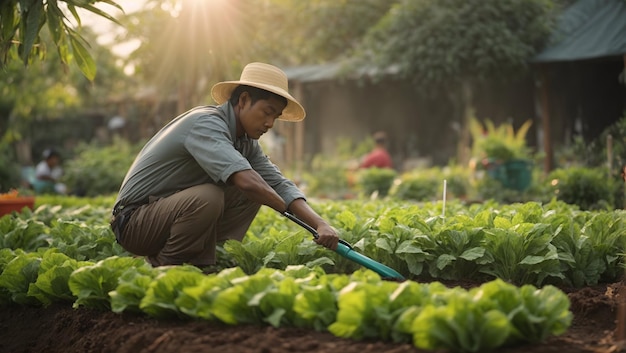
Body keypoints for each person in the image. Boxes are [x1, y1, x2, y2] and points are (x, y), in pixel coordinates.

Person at [110, 62, 339, 270]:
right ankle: (165, 266)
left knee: (255, 189)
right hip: (133, 223)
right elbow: (249, 182)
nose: (270, 123)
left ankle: (202, 263)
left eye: (275, 117)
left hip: (161, 216)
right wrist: (282, 208)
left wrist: (321, 224)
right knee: (214, 195)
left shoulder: (246, 142)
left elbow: (277, 183)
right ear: (243, 100)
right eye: (267, 112)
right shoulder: (206, 124)